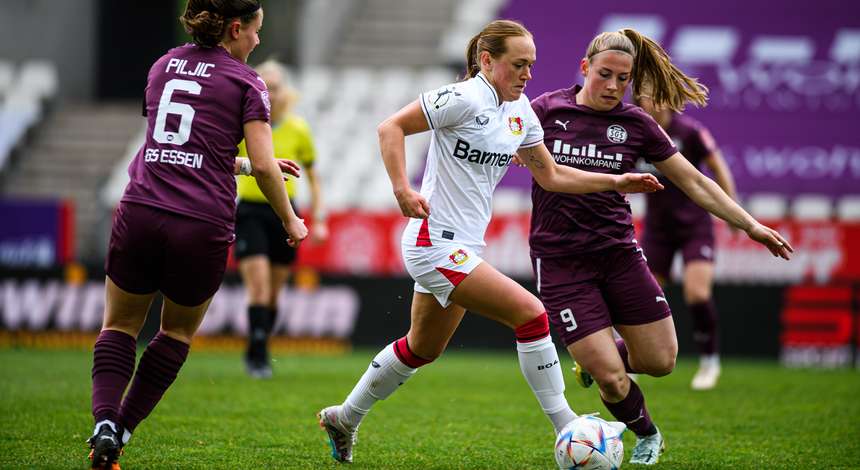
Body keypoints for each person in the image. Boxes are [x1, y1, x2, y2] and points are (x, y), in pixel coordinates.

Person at [316, 19, 663, 464]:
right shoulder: (462, 98)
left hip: (464, 245)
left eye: (531, 66)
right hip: (433, 242)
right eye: (518, 65)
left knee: (422, 347)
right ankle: (568, 426)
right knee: (531, 315)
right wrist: (403, 189)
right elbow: (390, 129)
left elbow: (552, 175)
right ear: (486, 61)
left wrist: (615, 182)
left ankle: (343, 417)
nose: (527, 75)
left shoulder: (520, 113)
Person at [523, 29, 792, 465]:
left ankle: (595, 359)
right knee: (611, 378)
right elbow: (503, 144)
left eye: (623, 79)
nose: (612, 86)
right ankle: (646, 434)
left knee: (662, 361)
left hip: (619, 256)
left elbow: (695, 181)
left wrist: (750, 225)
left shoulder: (636, 123)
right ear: (585, 67)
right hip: (561, 262)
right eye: (604, 74)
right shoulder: (545, 111)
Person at [86, 1, 308, 468]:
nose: (257, 41)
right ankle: (123, 430)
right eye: (255, 30)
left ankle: (103, 422)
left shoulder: (164, 64)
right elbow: (266, 165)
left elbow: (181, 142)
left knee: (119, 326)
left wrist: (243, 163)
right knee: (176, 333)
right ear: (234, 27)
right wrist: (290, 219)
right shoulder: (247, 81)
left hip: (142, 208)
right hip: (200, 222)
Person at [634, 91, 737, 391]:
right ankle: (633, 360)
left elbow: (717, 167)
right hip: (657, 230)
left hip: (695, 226)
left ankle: (709, 362)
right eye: (641, 98)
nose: (646, 103)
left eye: (651, 97)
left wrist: (732, 212)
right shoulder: (637, 133)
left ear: (665, 99)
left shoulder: (689, 132)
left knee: (696, 293)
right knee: (641, 297)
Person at [234, 59, 328, 379]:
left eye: (274, 88)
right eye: (264, 87)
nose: (270, 94)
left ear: (283, 91)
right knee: (258, 287)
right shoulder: (244, 123)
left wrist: (319, 218)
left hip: (285, 211)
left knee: (273, 294)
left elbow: (314, 177)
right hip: (250, 210)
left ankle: (258, 346)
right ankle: (257, 358)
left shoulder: (298, 128)